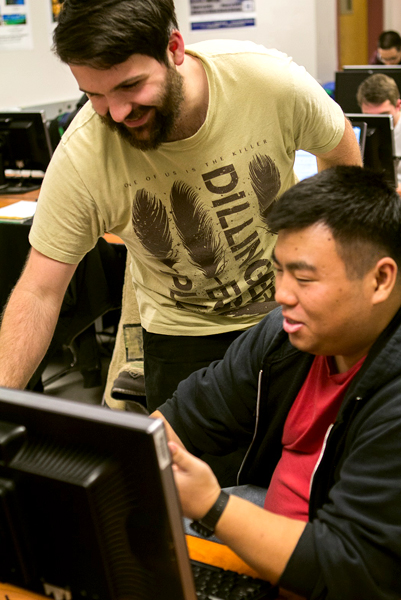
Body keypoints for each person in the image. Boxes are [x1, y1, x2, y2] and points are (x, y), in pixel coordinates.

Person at [0, 0, 362, 412]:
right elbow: (40, 292)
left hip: (289, 312)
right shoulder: (83, 156)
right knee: (192, 472)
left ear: (174, 49)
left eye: (130, 86)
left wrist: (330, 266)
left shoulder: (265, 81)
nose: (116, 113)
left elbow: (340, 151)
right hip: (183, 338)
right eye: (94, 94)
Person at [153, 166, 401, 600]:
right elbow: (186, 416)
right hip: (272, 522)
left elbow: (351, 567)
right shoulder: (285, 336)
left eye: (303, 278)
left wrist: (212, 506)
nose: (282, 293)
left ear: (380, 280)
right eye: (279, 271)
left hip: (335, 570)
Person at [356, 73, 401, 189]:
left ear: (398, 106)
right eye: (368, 116)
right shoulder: (356, 131)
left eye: (384, 115)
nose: (377, 122)